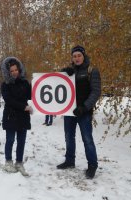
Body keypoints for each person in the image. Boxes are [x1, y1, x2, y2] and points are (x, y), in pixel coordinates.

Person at [57, 45, 101, 179]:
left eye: (79, 55)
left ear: (83, 56)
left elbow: (96, 92)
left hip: (84, 112)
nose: (76, 58)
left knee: (87, 139)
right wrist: (64, 72)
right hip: (69, 111)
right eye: (74, 56)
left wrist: (85, 107)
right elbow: (59, 86)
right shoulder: (70, 71)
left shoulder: (91, 70)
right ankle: (70, 160)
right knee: (69, 137)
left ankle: (92, 165)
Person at [0, 57, 33, 176]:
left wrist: (37, 84)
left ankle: (19, 162)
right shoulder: (5, 84)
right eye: (11, 71)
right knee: (10, 140)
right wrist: (24, 107)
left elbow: (32, 96)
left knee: (21, 141)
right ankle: (8, 161)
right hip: (10, 116)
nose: (14, 72)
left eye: (16, 70)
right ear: (8, 72)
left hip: (23, 117)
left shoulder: (25, 82)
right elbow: (9, 100)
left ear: (19, 69)